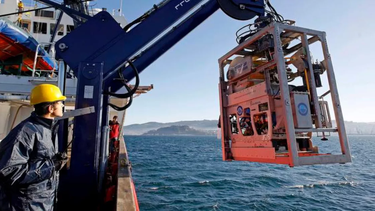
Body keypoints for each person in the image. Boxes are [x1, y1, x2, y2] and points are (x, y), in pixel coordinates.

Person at [0, 84, 68, 211]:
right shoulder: (25, 133)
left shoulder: (47, 129)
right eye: (60, 102)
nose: (63, 105)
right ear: (50, 108)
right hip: (26, 205)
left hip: (41, 202)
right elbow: (9, 171)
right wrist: (51, 166)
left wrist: (55, 160)